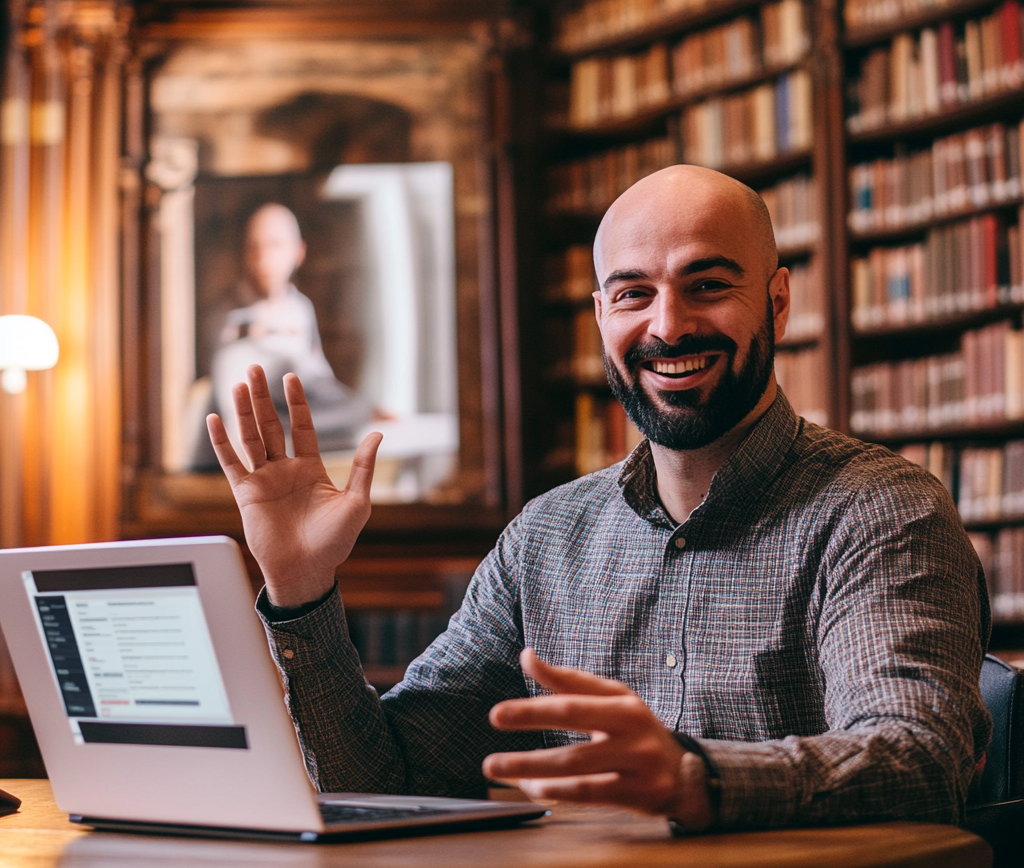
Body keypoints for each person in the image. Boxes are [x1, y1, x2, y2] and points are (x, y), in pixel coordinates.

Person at [207, 165, 990, 834]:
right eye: (633, 294)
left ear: (778, 303)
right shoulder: (544, 538)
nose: (669, 326)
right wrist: (301, 588)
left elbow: (919, 758)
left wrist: (698, 779)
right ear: (600, 318)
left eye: (708, 286)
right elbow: (382, 780)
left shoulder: (881, 512)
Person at [210, 202, 372, 455]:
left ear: (298, 252)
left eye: (274, 245)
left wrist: (363, 408)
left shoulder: (301, 308)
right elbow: (230, 390)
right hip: (255, 420)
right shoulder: (228, 315)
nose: (263, 257)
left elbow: (318, 373)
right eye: (254, 246)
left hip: (301, 410)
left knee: (356, 415)